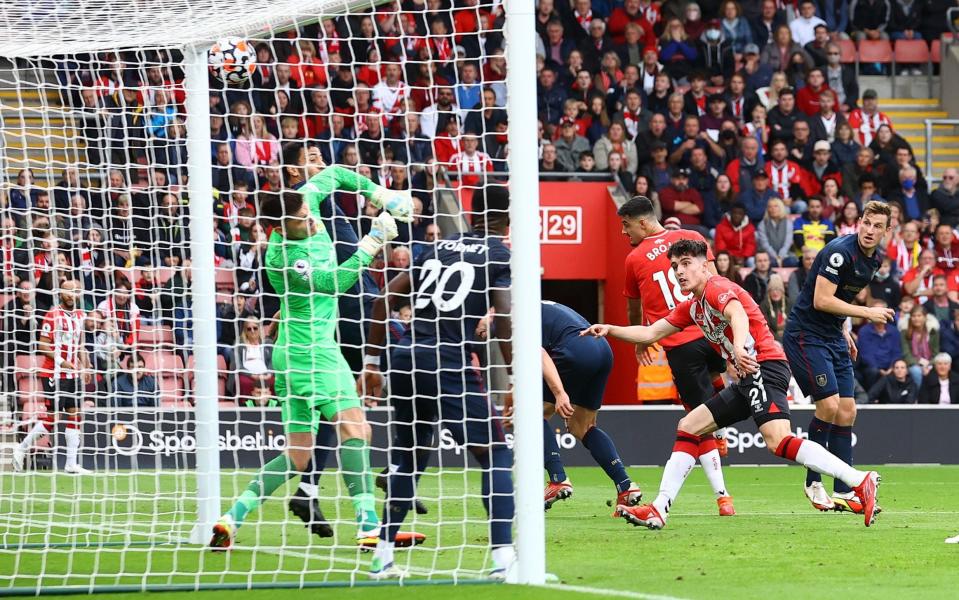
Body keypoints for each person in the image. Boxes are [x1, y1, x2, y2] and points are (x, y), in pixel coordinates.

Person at [584, 239, 880, 530]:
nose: (679, 272)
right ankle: (659, 509)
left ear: (705, 266)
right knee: (689, 425)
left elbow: (736, 313)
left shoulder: (717, 287)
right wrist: (609, 329)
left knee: (778, 441)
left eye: (686, 264)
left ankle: (858, 480)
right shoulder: (693, 307)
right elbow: (651, 333)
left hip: (763, 365)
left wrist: (739, 348)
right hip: (747, 374)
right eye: (675, 266)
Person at [209, 163, 411, 550]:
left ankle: (231, 518)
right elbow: (334, 282)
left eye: (308, 213)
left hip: (291, 353)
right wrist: (372, 242)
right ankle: (370, 525)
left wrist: (378, 195)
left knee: (299, 457)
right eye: (303, 221)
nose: (312, 222)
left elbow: (335, 173)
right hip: (312, 350)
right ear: (281, 229)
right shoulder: (285, 257)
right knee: (357, 429)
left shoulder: (306, 203)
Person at [362, 186, 516, 580]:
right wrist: (515, 376)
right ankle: (504, 561)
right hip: (447, 360)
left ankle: (382, 555)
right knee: (495, 454)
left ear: (473, 211)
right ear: (508, 217)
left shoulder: (438, 246)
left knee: (409, 458)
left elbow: (383, 300)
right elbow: (503, 321)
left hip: (404, 356)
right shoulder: (500, 254)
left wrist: (370, 363)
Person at [620, 197, 735, 517]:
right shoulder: (692, 239)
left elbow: (634, 306)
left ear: (642, 222)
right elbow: (717, 282)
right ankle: (723, 431)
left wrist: (639, 338)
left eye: (626, 225)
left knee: (698, 424)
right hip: (712, 330)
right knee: (719, 380)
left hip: (680, 343)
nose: (624, 233)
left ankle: (723, 498)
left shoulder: (634, 258)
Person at [782, 201, 893, 514]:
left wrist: (845, 330)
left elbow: (839, 299)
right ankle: (813, 481)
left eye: (877, 226)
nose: (870, 231)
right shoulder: (839, 252)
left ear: (887, 231)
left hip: (832, 336)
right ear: (859, 222)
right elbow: (820, 299)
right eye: (866, 223)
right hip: (805, 335)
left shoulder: (874, 261)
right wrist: (866, 313)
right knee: (828, 406)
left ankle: (846, 489)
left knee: (847, 411)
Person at [531, 301, 642, 511]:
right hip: (601, 349)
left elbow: (539, 354)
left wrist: (559, 393)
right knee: (582, 427)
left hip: (576, 349)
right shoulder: (543, 306)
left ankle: (557, 479)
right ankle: (625, 486)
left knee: (530, 412)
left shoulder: (513, 316)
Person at [13, 280, 91, 474]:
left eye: (75, 291)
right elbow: (43, 345)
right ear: (61, 293)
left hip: (72, 373)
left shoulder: (81, 316)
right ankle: (21, 448)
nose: (72, 295)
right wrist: (61, 361)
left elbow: (80, 344)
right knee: (54, 417)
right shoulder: (52, 315)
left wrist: (86, 366)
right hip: (54, 372)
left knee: (75, 414)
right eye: (68, 291)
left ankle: (71, 464)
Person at [855, 299, 903, 389]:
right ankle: (871, 399)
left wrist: (892, 367)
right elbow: (866, 355)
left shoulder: (894, 331)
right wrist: (879, 369)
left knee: (900, 369)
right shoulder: (864, 331)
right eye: (876, 311)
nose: (879, 314)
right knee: (873, 371)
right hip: (872, 367)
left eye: (882, 311)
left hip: (890, 366)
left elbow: (897, 352)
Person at [900, 304, 939, 386]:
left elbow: (936, 352)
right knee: (916, 371)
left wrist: (928, 364)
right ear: (910, 318)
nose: (916, 318)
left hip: (930, 362)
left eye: (919, 316)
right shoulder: (905, 332)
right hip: (913, 363)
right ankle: (919, 396)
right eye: (913, 316)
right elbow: (906, 353)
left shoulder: (932, 331)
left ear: (925, 317)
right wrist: (919, 365)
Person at [757, 197, 797, 268]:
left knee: (792, 261)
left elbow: (787, 243)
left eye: (775, 206)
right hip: (768, 256)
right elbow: (765, 244)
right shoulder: (762, 224)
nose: (772, 209)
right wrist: (776, 257)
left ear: (781, 208)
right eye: (770, 206)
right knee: (771, 263)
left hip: (785, 255)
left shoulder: (788, 223)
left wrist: (780, 256)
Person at [759, 273, 791, 342]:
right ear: (768, 292)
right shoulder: (764, 305)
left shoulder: (789, 303)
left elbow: (794, 326)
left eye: (778, 289)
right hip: (772, 340)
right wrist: (780, 341)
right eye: (772, 290)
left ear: (782, 291)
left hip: (789, 339)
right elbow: (766, 328)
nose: (775, 293)